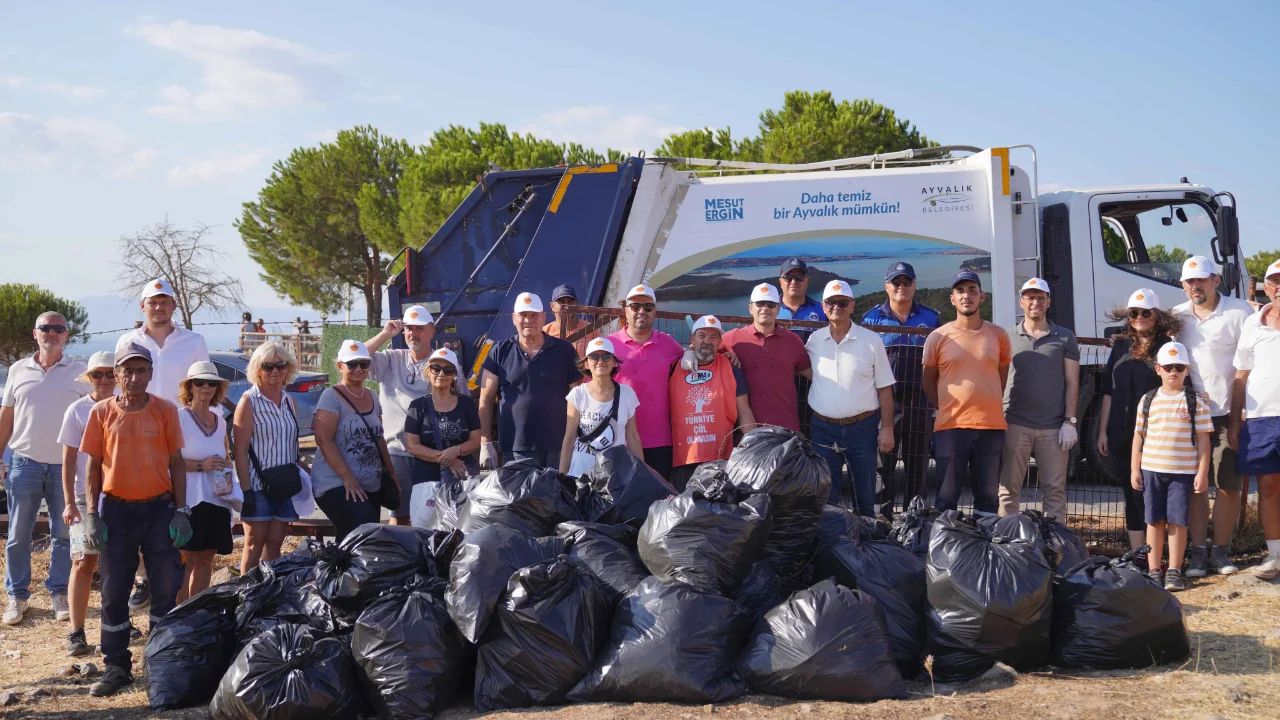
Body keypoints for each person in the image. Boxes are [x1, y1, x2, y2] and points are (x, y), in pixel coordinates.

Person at [78, 343, 189, 697]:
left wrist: (182, 511)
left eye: (142, 370)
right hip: (116, 510)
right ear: (117, 375)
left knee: (165, 587)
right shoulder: (101, 412)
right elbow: (93, 466)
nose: (135, 377)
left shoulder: (166, 410)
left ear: (151, 373)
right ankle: (116, 666)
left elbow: (177, 463)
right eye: (128, 371)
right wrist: (91, 515)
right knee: (113, 590)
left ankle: (159, 663)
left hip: (159, 509)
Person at [2, 311, 87, 626]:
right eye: (45, 328)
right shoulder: (17, 370)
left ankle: (59, 593)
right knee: (17, 535)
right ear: (35, 333)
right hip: (24, 462)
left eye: (58, 328)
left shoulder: (81, 372)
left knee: (64, 534)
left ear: (66, 335)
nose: (51, 333)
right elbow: (7, 416)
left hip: (67, 467)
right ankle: (17, 596)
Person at [1173, 256, 1253, 577]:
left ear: (1215, 281)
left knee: (1228, 486)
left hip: (1227, 414)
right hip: (1188, 417)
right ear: (1182, 285)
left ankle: (1220, 552)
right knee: (1196, 487)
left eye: (1202, 280)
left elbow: (1254, 358)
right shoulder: (1176, 317)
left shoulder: (1240, 312)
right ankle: (1197, 554)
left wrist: (1242, 411)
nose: (1196, 286)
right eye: (1190, 281)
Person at [1098, 288, 1183, 551]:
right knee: (1129, 490)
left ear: (1156, 315)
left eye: (1146, 313)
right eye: (1134, 313)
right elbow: (1108, 391)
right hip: (1119, 430)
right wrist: (1102, 431)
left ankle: (1156, 553)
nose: (1139, 318)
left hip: (1153, 433)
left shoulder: (1167, 348)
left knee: (1149, 492)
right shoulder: (1120, 346)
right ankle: (1138, 554)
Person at [922, 271, 1012, 514]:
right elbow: (928, 381)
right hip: (951, 427)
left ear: (982, 297)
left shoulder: (999, 335)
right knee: (946, 498)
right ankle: (947, 539)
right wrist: (944, 407)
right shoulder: (938, 337)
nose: (966, 296)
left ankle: (984, 539)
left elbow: (1001, 377)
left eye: (972, 290)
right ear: (952, 299)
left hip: (991, 427)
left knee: (988, 499)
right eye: (960, 291)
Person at [805, 280, 896, 513]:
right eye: (831, 303)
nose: (837, 307)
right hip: (823, 429)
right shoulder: (814, 341)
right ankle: (834, 536)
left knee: (864, 494)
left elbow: (885, 388)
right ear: (823, 307)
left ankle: (865, 534)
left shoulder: (871, 341)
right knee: (827, 496)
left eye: (843, 303)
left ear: (852, 306)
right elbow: (804, 370)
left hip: (862, 429)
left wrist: (887, 428)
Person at [861, 261, 941, 518]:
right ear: (887, 286)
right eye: (896, 282)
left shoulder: (931, 318)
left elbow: (940, 362)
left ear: (914, 286)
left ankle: (914, 521)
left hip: (920, 404)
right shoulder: (870, 319)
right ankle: (881, 521)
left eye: (907, 282)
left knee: (917, 468)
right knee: (882, 469)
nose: (901, 287)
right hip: (885, 405)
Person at [998, 278, 1081, 522]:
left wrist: (1070, 421)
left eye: (1040, 298)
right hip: (1014, 424)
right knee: (1008, 490)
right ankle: (1007, 540)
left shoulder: (1065, 337)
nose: (1035, 302)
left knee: (1054, 492)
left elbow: (1073, 381)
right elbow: (998, 379)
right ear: (1021, 302)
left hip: (1053, 428)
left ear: (1048, 302)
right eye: (1030, 297)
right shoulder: (1006, 337)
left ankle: (1054, 542)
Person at [1131, 342, 1212, 592]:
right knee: (1154, 520)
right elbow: (1138, 436)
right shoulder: (1148, 400)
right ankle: (1154, 570)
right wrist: (1135, 469)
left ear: (1187, 370)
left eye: (1178, 367)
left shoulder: (1195, 402)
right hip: (1152, 470)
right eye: (1168, 367)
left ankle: (1174, 571)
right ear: (1158, 369)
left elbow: (1203, 440)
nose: (1173, 372)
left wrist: (1202, 472)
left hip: (1183, 473)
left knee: (1178, 521)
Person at [232, 341, 311, 573]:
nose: (275, 371)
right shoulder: (248, 401)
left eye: (280, 365)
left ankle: (269, 589)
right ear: (258, 369)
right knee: (253, 544)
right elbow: (240, 450)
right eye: (268, 366)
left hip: (285, 484)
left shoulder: (289, 401)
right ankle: (246, 590)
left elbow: (292, 445)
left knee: (275, 543)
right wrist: (246, 491)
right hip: (257, 485)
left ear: (288, 368)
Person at [479, 293, 582, 469]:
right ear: (513, 318)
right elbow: (486, 399)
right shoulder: (499, 351)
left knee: (557, 488)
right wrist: (485, 442)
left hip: (559, 446)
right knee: (521, 489)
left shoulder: (564, 350)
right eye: (523, 315)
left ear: (543, 317)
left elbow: (578, 397)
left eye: (534, 315)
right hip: (515, 447)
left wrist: (577, 438)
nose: (528, 320)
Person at [312, 340, 399, 542]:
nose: (358, 369)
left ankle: (340, 562)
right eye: (352, 364)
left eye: (364, 364)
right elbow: (323, 440)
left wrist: (391, 473)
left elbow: (378, 437)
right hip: (337, 483)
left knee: (360, 540)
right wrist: (348, 478)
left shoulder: (371, 395)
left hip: (370, 483)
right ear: (340, 366)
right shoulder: (331, 396)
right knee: (362, 532)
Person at [58, 351, 115, 656]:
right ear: (90, 378)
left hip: (120, 495)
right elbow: (68, 461)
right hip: (84, 496)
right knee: (83, 563)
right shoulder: (77, 410)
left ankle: (116, 623)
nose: (104, 379)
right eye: (98, 374)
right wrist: (69, 502)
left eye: (110, 373)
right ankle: (77, 631)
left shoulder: (127, 406)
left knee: (118, 563)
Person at [365, 305, 439, 525]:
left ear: (431, 331)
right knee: (399, 517)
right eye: (409, 328)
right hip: (396, 452)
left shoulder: (442, 362)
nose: (413, 333)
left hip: (431, 453)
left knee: (431, 518)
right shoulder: (391, 359)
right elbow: (358, 355)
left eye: (419, 328)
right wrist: (385, 334)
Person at [175, 361, 241, 602]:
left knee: (206, 560)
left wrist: (226, 469)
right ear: (189, 387)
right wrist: (201, 466)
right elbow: (167, 461)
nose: (205, 387)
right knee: (185, 560)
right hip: (189, 500)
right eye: (199, 382)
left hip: (216, 499)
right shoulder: (179, 417)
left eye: (211, 383)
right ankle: (178, 615)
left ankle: (196, 613)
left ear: (217, 388)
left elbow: (226, 457)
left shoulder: (220, 421)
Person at [1231, 259, 1280, 579]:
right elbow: (1241, 374)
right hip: (1261, 419)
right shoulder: (1253, 322)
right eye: (1275, 281)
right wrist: (1236, 421)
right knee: (1269, 488)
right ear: (1267, 286)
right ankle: (1275, 557)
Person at [607, 283, 686, 477]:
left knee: (659, 494)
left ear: (655, 312)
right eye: (635, 307)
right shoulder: (609, 345)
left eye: (648, 307)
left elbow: (701, 362)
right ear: (626, 310)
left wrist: (725, 352)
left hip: (660, 441)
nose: (642, 311)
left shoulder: (668, 344)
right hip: (619, 440)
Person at [668, 315, 755, 491]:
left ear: (720, 342)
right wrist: (688, 351)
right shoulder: (674, 367)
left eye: (714, 337)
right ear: (692, 339)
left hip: (721, 460)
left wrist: (755, 446)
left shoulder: (730, 368)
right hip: (684, 458)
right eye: (702, 336)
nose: (707, 341)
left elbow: (744, 411)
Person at [721, 283, 811, 432]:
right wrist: (691, 352)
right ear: (750, 308)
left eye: (770, 304)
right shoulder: (733, 339)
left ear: (778, 309)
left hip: (786, 429)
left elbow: (812, 374)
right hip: (747, 432)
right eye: (760, 304)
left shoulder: (793, 341)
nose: (765, 308)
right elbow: (704, 350)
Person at [560, 337, 643, 477]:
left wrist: (642, 473)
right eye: (594, 357)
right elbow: (569, 437)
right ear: (586, 363)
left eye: (606, 356)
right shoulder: (578, 394)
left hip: (614, 475)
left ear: (614, 362)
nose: (600, 361)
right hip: (580, 473)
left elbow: (632, 435)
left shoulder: (627, 393)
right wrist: (562, 475)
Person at [404, 347, 481, 491]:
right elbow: (412, 446)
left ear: (454, 375)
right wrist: (449, 460)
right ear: (428, 372)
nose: (441, 374)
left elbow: (476, 440)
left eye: (448, 370)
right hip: (426, 482)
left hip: (462, 479)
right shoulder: (417, 406)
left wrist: (456, 450)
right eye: (436, 368)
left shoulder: (466, 404)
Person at [544, 284, 597, 356]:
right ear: (552, 306)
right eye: (561, 302)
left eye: (570, 301)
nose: (566, 306)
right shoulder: (544, 333)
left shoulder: (592, 330)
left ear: (577, 304)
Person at [778, 258, 827, 324]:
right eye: (788, 277)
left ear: (807, 281)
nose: (793, 282)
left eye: (799, 277)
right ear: (781, 282)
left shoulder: (823, 311)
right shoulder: (769, 310)